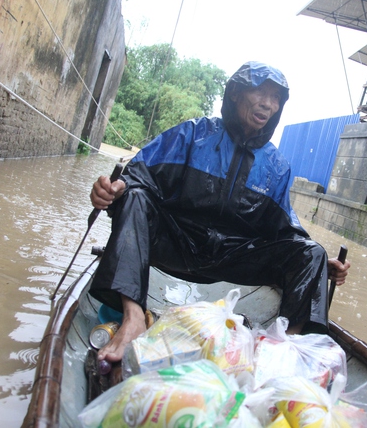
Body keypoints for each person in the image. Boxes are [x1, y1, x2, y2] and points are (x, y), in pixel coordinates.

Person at [89, 61, 350, 363]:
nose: (268, 103)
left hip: (231, 258)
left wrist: (319, 263)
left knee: (312, 253)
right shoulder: (193, 134)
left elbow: (285, 230)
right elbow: (137, 177)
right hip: (174, 246)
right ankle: (133, 318)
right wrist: (113, 190)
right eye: (260, 92)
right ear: (237, 93)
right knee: (133, 196)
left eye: (276, 97)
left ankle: (285, 346)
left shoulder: (277, 167)